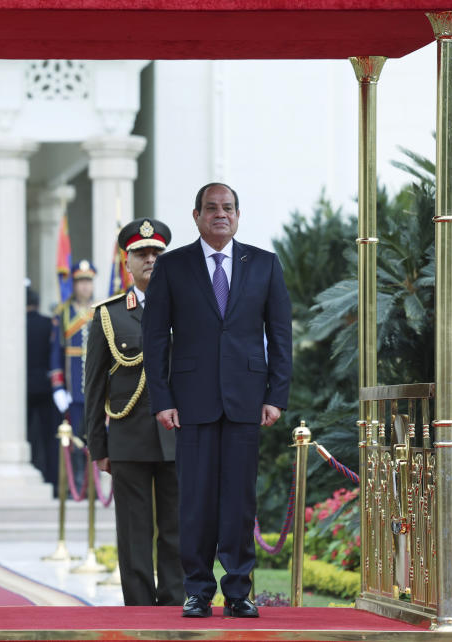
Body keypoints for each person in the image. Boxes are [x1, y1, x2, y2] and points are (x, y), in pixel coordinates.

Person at [141, 183, 292, 619]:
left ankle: (239, 591)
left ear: (238, 216)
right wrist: (162, 399)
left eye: (227, 208)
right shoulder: (172, 266)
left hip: (247, 401)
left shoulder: (264, 264)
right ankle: (198, 591)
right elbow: (155, 339)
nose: (220, 214)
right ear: (196, 215)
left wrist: (276, 396)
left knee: (240, 501)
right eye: (211, 208)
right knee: (196, 501)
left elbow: (280, 335)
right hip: (191, 402)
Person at [85, 218, 184, 607]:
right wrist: (98, 446)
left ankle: (177, 604)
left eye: (157, 252)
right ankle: (140, 611)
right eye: (142, 253)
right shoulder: (109, 315)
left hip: (180, 436)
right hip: (128, 438)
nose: (150, 259)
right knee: (134, 533)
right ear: (127, 262)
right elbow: (93, 387)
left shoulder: (188, 309)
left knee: (178, 530)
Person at [50, 260, 96, 490]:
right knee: (75, 439)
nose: (85, 287)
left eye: (88, 281)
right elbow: (56, 354)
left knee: (96, 438)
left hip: (97, 388)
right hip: (73, 390)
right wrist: (58, 388)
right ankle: (77, 482)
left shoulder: (100, 310)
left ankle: (92, 483)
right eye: (80, 282)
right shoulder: (64, 313)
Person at [25, 286, 59, 491]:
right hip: (45, 387)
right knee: (49, 438)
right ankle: (53, 480)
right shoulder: (48, 324)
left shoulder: (17, 325)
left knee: (26, 435)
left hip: (23, 389)